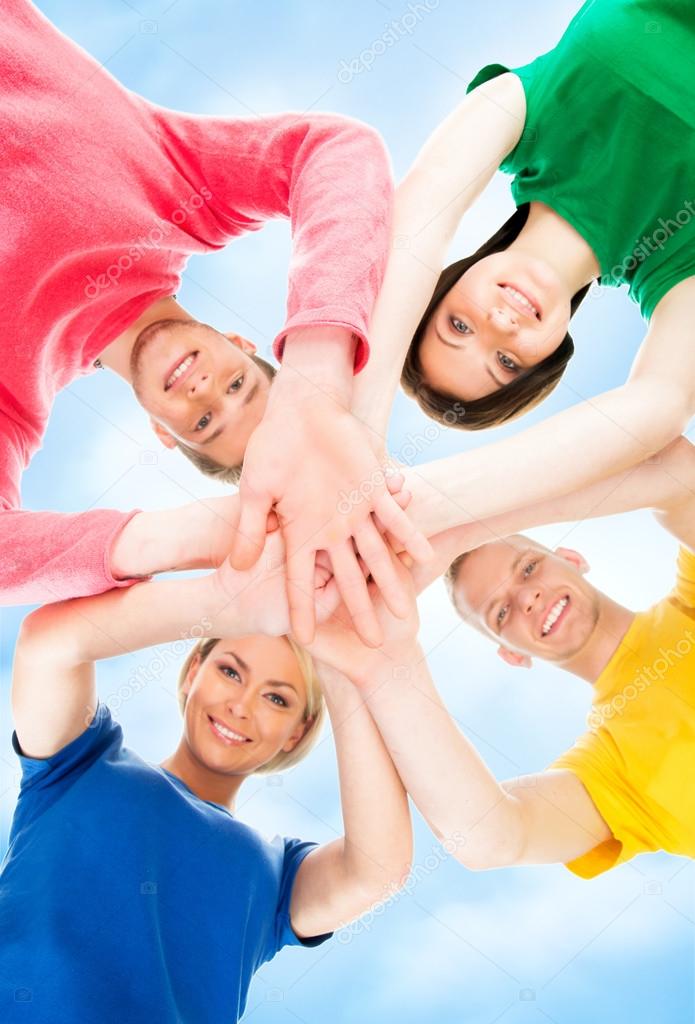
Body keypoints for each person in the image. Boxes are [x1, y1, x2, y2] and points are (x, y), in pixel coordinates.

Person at [1, 0, 430, 643]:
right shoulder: (182, 193)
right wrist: (315, 385)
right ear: (238, 341)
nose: (207, 393)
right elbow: (332, 148)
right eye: (241, 387)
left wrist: (206, 533)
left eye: (205, 423)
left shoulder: (13, 393)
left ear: (163, 433)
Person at [1, 530, 412, 1022]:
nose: (241, 706)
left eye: (276, 698)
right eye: (231, 672)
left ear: (295, 732)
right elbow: (47, 643)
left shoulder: (279, 875)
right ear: (194, 669)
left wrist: (343, 660)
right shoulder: (80, 759)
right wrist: (230, 600)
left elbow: (378, 868)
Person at [347, 0, 693, 550]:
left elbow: (415, 221)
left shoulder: (521, 116)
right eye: (507, 362)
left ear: (446, 280)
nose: (500, 326)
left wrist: (355, 438)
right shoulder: (678, 266)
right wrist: (415, 506)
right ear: (551, 356)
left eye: (458, 326)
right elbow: (658, 409)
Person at [309, 435, 695, 878]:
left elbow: (677, 469)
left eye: (528, 567)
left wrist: (471, 521)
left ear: (571, 556)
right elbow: (488, 837)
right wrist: (387, 659)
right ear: (511, 654)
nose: (526, 598)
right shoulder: (612, 769)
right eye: (502, 611)